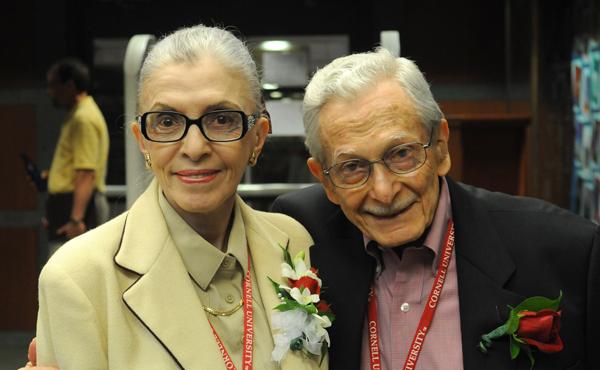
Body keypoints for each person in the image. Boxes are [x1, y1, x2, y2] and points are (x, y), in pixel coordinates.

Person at [272, 48, 600, 369]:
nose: (384, 192)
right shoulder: (301, 231)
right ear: (325, 180)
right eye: (353, 167)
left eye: (401, 154)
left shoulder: (567, 253)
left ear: (441, 148)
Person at [27, 25, 329, 370]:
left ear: (258, 137)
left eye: (221, 119)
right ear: (143, 141)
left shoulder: (293, 242)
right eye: (168, 121)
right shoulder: (79, 279)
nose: (195, 148)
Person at [44, 58, 110, 253]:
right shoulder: (77, 114)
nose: (50, 92)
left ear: (70, 85)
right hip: (69, 205)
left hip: (80, 208)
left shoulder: (83, 118)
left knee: (69, 276)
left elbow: (86, 173)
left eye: (53, 86)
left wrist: (76, 219)